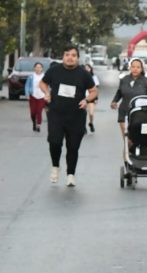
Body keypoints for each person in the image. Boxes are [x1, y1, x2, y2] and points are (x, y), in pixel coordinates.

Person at [39, 45, 97, 187]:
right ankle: (55, 166)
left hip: (76, 116)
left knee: (73, 147)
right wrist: (46, 93)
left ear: (77, 58)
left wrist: (87, 100)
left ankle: (70, 174)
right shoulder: (54, 70)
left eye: (73, 55)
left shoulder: (83, 74)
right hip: (56, 115)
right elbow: (43, 83)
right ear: (63, 57)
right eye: (67, 55)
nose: (70, 57)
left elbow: (94, 91)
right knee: (55, 142)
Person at [111, 57, 147, 160]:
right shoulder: (124, 79)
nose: (135, 69)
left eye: (138, 67)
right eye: (133, 67)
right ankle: (127, 163)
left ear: (142, 69)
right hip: (124, 112)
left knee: (138, 139)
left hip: (141, 115)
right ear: (130, 67)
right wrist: (114, 101)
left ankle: (139, 159)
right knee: (128, 140)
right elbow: (119, 92)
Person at [24, 61, 47, 132]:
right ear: (34, 68)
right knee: (33, 112)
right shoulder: (31, 76)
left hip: (42, 96)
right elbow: (27, 86)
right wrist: (27, 94)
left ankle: (38, 125)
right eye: (37, 67)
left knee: (39, 111)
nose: (38, 69)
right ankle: (34, 122)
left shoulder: (45, 76)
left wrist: (48, 94)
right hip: (33, 96)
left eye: (40, 67)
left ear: (42, 69)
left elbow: (48, 86)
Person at [83, 64, 100, 132]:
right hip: (83, 97)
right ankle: (83, 127)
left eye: (88, 68)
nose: (87, 69)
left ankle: (91, 123)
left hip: (91, 97)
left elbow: (96, 89)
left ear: (91, 69)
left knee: (91, 113)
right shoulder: (81, 77)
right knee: (83, 113)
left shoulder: (94, 77)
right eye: (85, 68)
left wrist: (96, 98)